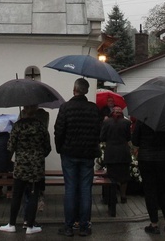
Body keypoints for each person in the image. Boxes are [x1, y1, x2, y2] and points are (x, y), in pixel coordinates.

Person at [54, 78, 102, 237]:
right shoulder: (93, 109)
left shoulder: (65, 108)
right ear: (86, 91)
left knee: (70, 189)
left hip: (69, 154)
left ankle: (68, 226)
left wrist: (60, 148)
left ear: (74, 89)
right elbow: (98, 132)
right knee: (85, 189)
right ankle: (83, 226)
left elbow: (59, 130)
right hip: (87, 155)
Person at [0, 105, 51, 235]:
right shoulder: (41, 127)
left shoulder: (17, 126)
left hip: (21, 166)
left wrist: (13, 158)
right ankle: (30, 225)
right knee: (33, 194)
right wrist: (38, 155)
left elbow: (10, 146)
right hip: (36, 167)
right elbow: (47, 147)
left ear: (23, 111)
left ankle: (11, 224)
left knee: (17, 195)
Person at [132, 120, 165, 234]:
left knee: (150, 191)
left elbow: (135, 140)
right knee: (163, 190)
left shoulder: (142, 120)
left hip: (146, 158)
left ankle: (154, 224)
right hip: (164, 158)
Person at [99, 106, 131, 203]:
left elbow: (102, 137)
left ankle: (111, 197)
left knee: (111, 175)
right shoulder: (126, 123)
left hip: (111, 152)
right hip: (123, 152)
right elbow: (129, 137)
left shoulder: (106, 122)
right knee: (124, 175)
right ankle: (123, 195)